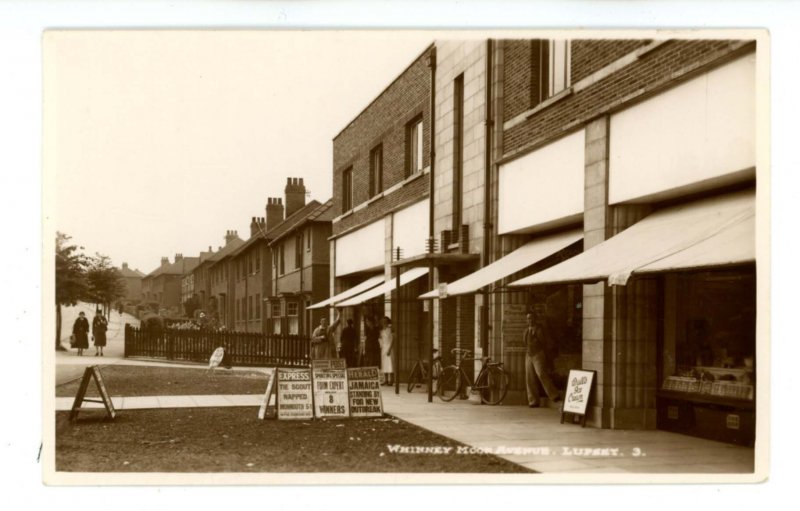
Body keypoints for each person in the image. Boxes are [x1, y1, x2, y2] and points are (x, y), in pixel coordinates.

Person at [523, 313, 561, 407]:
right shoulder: (526, 331)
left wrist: (546, 354)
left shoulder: (540, 330)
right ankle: (533, 401)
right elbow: (525, 342)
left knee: (541, 374)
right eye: (528, 319)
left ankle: (554, 395)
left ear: (535, 319)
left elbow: (546, 342)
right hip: (529, 355)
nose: (530, 320)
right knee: (529, 377)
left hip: (538, 354)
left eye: (532, 318)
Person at [379, 316, 394, 386]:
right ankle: (385, 379)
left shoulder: (390, 330)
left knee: (390, 363)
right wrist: (381, 346)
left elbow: (392, 340)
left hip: (389, 347)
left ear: (388, 322)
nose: (384, 323)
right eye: (382, 322)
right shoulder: (381, 331)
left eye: (385, 322)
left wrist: (390, 349)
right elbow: (380, 339)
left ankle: (391, 379)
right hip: (383, 348)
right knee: (384, 364)